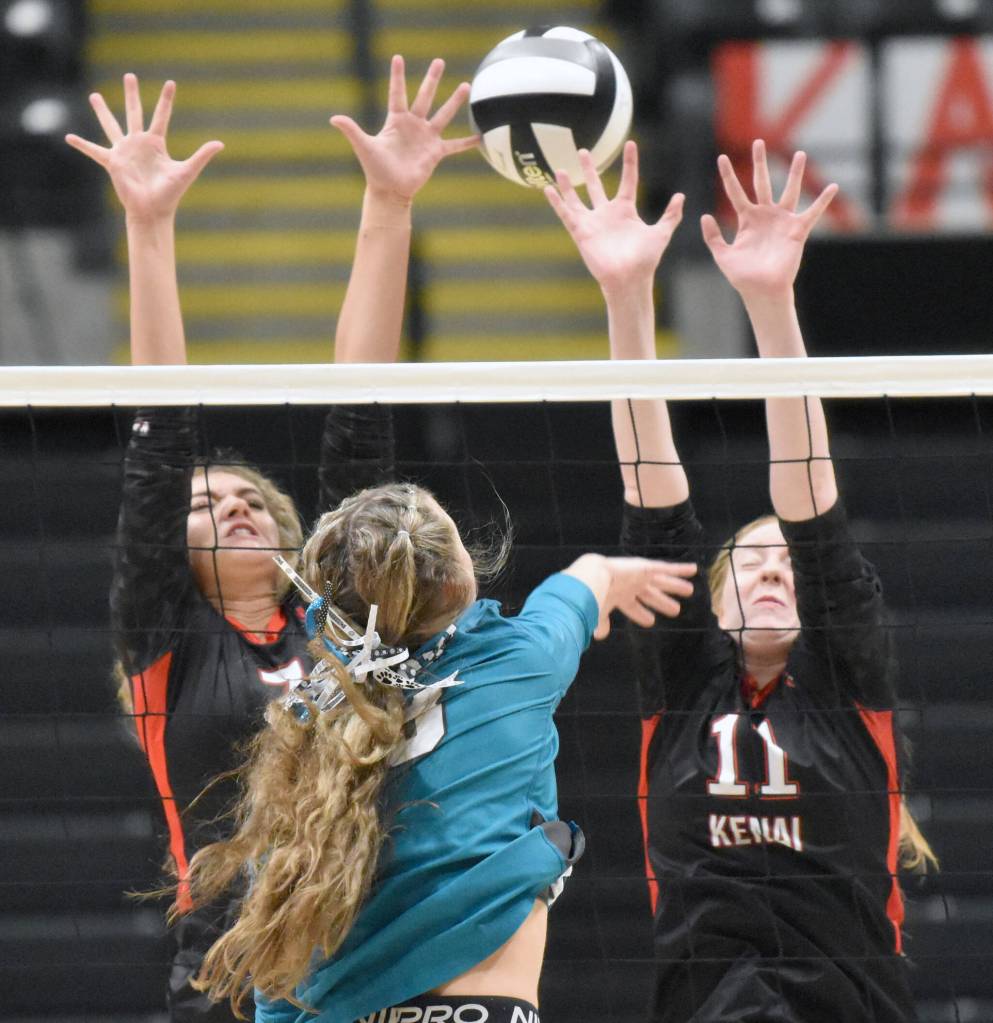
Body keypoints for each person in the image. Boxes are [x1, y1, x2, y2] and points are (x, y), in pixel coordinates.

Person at [65, 57, 478, 1023]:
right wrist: (148, 223)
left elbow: (359, 421)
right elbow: (158, 439)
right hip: (228, 970)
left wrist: (388, 205)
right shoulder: (166, 637)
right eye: (208, 506)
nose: (238, 505)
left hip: (374, 949)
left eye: (251, 496)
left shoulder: (336, 617)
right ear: (173, 550)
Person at [546, 139, 938, 1022]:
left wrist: (772, 305)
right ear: (709, 599)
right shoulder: (684, 683)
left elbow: (809, 503)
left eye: (783, 565)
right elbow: (652, 494)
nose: (770, 569)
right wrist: (625, 296)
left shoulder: (845, 683)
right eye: (746, 564)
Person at [177, 480, 699, 1021]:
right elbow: (577, 586)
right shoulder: (517, 660)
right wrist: (607, 570)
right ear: (459, 575)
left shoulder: (308, 724)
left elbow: (276, 951)